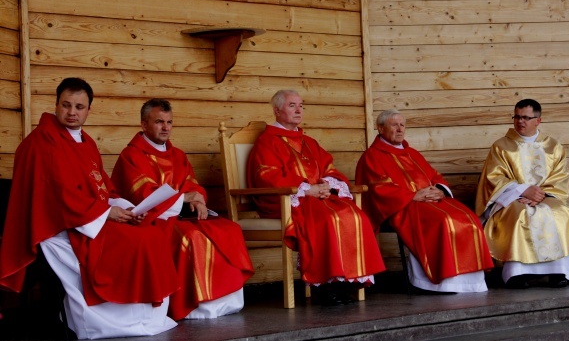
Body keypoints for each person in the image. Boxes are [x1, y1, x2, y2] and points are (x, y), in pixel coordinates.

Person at [0, 77, 179, 339]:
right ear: (56, 104)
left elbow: (102, 187)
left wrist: (125, 206)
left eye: (79, 107)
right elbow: (56, 197)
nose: (72, 112)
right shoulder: (41, 143)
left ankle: (146, 319)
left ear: (89, 110)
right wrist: (107, 213)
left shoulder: (85, 142)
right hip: (58, 226)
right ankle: (116, 323)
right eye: (67, 105)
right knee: (139, 241)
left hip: (87, 218)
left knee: (151, 233)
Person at [111, 98, 254, 320]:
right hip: (151, 221)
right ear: (143, 124)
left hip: (181, 215)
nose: (166, 127)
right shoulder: (131, 156)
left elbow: (191, 184)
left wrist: (197, 200)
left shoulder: (177, 154)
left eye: (169, 122)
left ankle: (225, 301)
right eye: (159, 122)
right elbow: (143, 195)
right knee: (192, 237)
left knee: (230, 229)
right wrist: (184, 198)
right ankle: (196, 306)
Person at [246, 90, 385, 304]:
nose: (299, 109)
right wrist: (306, 189)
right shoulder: (267, 141)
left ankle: (347, 279)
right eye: (292, 105)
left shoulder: (309, 141)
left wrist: (326, 184)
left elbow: (329, 167)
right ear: (277, 110)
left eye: (301, 105)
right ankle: (325, 285)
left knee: (355, 215)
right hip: (287, 201)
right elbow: (267, 176)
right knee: (326, 220)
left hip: (318, 197)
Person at [355, 109, 493, 293]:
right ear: (380, 128)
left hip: (431, 200)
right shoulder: (371, 156)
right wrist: (412, 196)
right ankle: (438, 282)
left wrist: (439, 190)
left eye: (402, 125)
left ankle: (470, 282)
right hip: (402, 206)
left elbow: (434, 175)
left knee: (470, 218)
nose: (400, 129)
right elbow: (377, 188)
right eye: (394, 125)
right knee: (444, 221)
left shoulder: (412, 153)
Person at [475, 99, 569, 288]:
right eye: (517, 117)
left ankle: (560, 272)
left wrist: (540, 195)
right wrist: (522, 190)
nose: (520, 121)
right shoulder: (501, 146)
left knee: (561, 214)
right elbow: (493, 178)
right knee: (521, 214)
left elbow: (560, 179)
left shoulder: (553, 147)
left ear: (538, 120)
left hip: (546, 197)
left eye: (526, 117)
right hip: (511, 198)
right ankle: (518, 274)